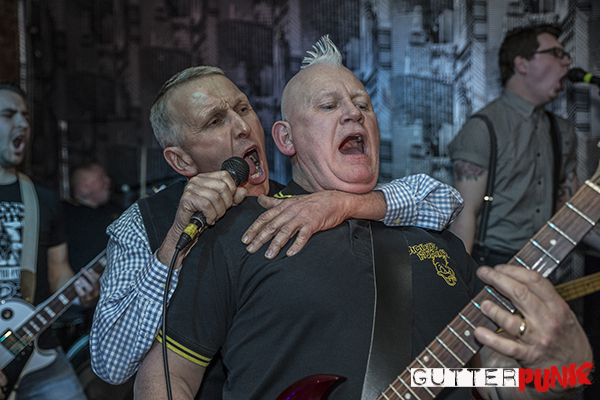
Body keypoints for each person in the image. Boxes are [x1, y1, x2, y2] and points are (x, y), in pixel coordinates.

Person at [134, 37, 592, 400]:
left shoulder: (440, 242)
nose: (354, 112)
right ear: (286, 139)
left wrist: (564, 376)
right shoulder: (240, 232)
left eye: (363, 104)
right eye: (328, 105)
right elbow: (168, 375)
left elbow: (485, 380)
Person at [89, 64, 465, 388]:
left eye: (244, 109)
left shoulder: (301, 200)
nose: (243, 127)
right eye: (215, 121)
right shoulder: (144, 224)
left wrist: (342, 202)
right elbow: (112, 364)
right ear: (182, 161)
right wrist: (175, 240)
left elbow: (444, 201)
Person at [0, 83, 100, 399]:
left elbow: (59, 274)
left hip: (39, 348)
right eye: (8, 114)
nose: (23, 124)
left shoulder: (42, 199)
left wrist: (83, 295)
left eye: (26, 116)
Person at [448, 24, 578, 266]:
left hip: (547, 262)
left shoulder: (563, 131)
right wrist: (459, 280)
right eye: (556, 53)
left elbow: (571, 210)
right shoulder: (483, 127)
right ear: (522, 64)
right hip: (493, 263)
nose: (567, 61)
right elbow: (464, 215)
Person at [54, 162, 124, 352]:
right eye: (101, 178)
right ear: (85, 183)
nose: (108, 181)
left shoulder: (117, 212)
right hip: (71, 305)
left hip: (114, 303)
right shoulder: (62, 212)